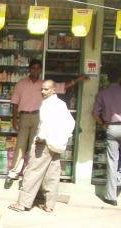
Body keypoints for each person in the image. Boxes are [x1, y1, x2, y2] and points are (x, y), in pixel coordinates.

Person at [7, 59, 87, 181]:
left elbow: (62, 86)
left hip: (38, 117)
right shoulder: (21, 83)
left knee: (34, 146)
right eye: (33, 68)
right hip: (24, 117)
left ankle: (29, 174)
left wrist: (77, 80)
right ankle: (14, 172)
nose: (35, 70)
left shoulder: (45, 85)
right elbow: (15, 102)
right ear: (29, 69)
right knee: (20, 145)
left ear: (40, 70)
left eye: (38, 68)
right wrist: (14, 119)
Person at [8, 80, 75, 212]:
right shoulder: (61, 104)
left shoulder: (46, 105)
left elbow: (45, 123)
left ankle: (23, 203)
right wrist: (64, 137)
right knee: (52, 174)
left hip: (44, 143)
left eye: (47, 89)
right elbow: (71, 122)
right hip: (57, 144)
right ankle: (49, 205)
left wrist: (41, 137)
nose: (43, 92)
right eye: (42, 89)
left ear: (54, 90)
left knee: (33, 171)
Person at [92, 67, 121, 206]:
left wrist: (103, 124)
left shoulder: (103, 93)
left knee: (112, 161)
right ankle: (119, 180)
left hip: (111, 127)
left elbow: (95, 114)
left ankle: (111, 196)